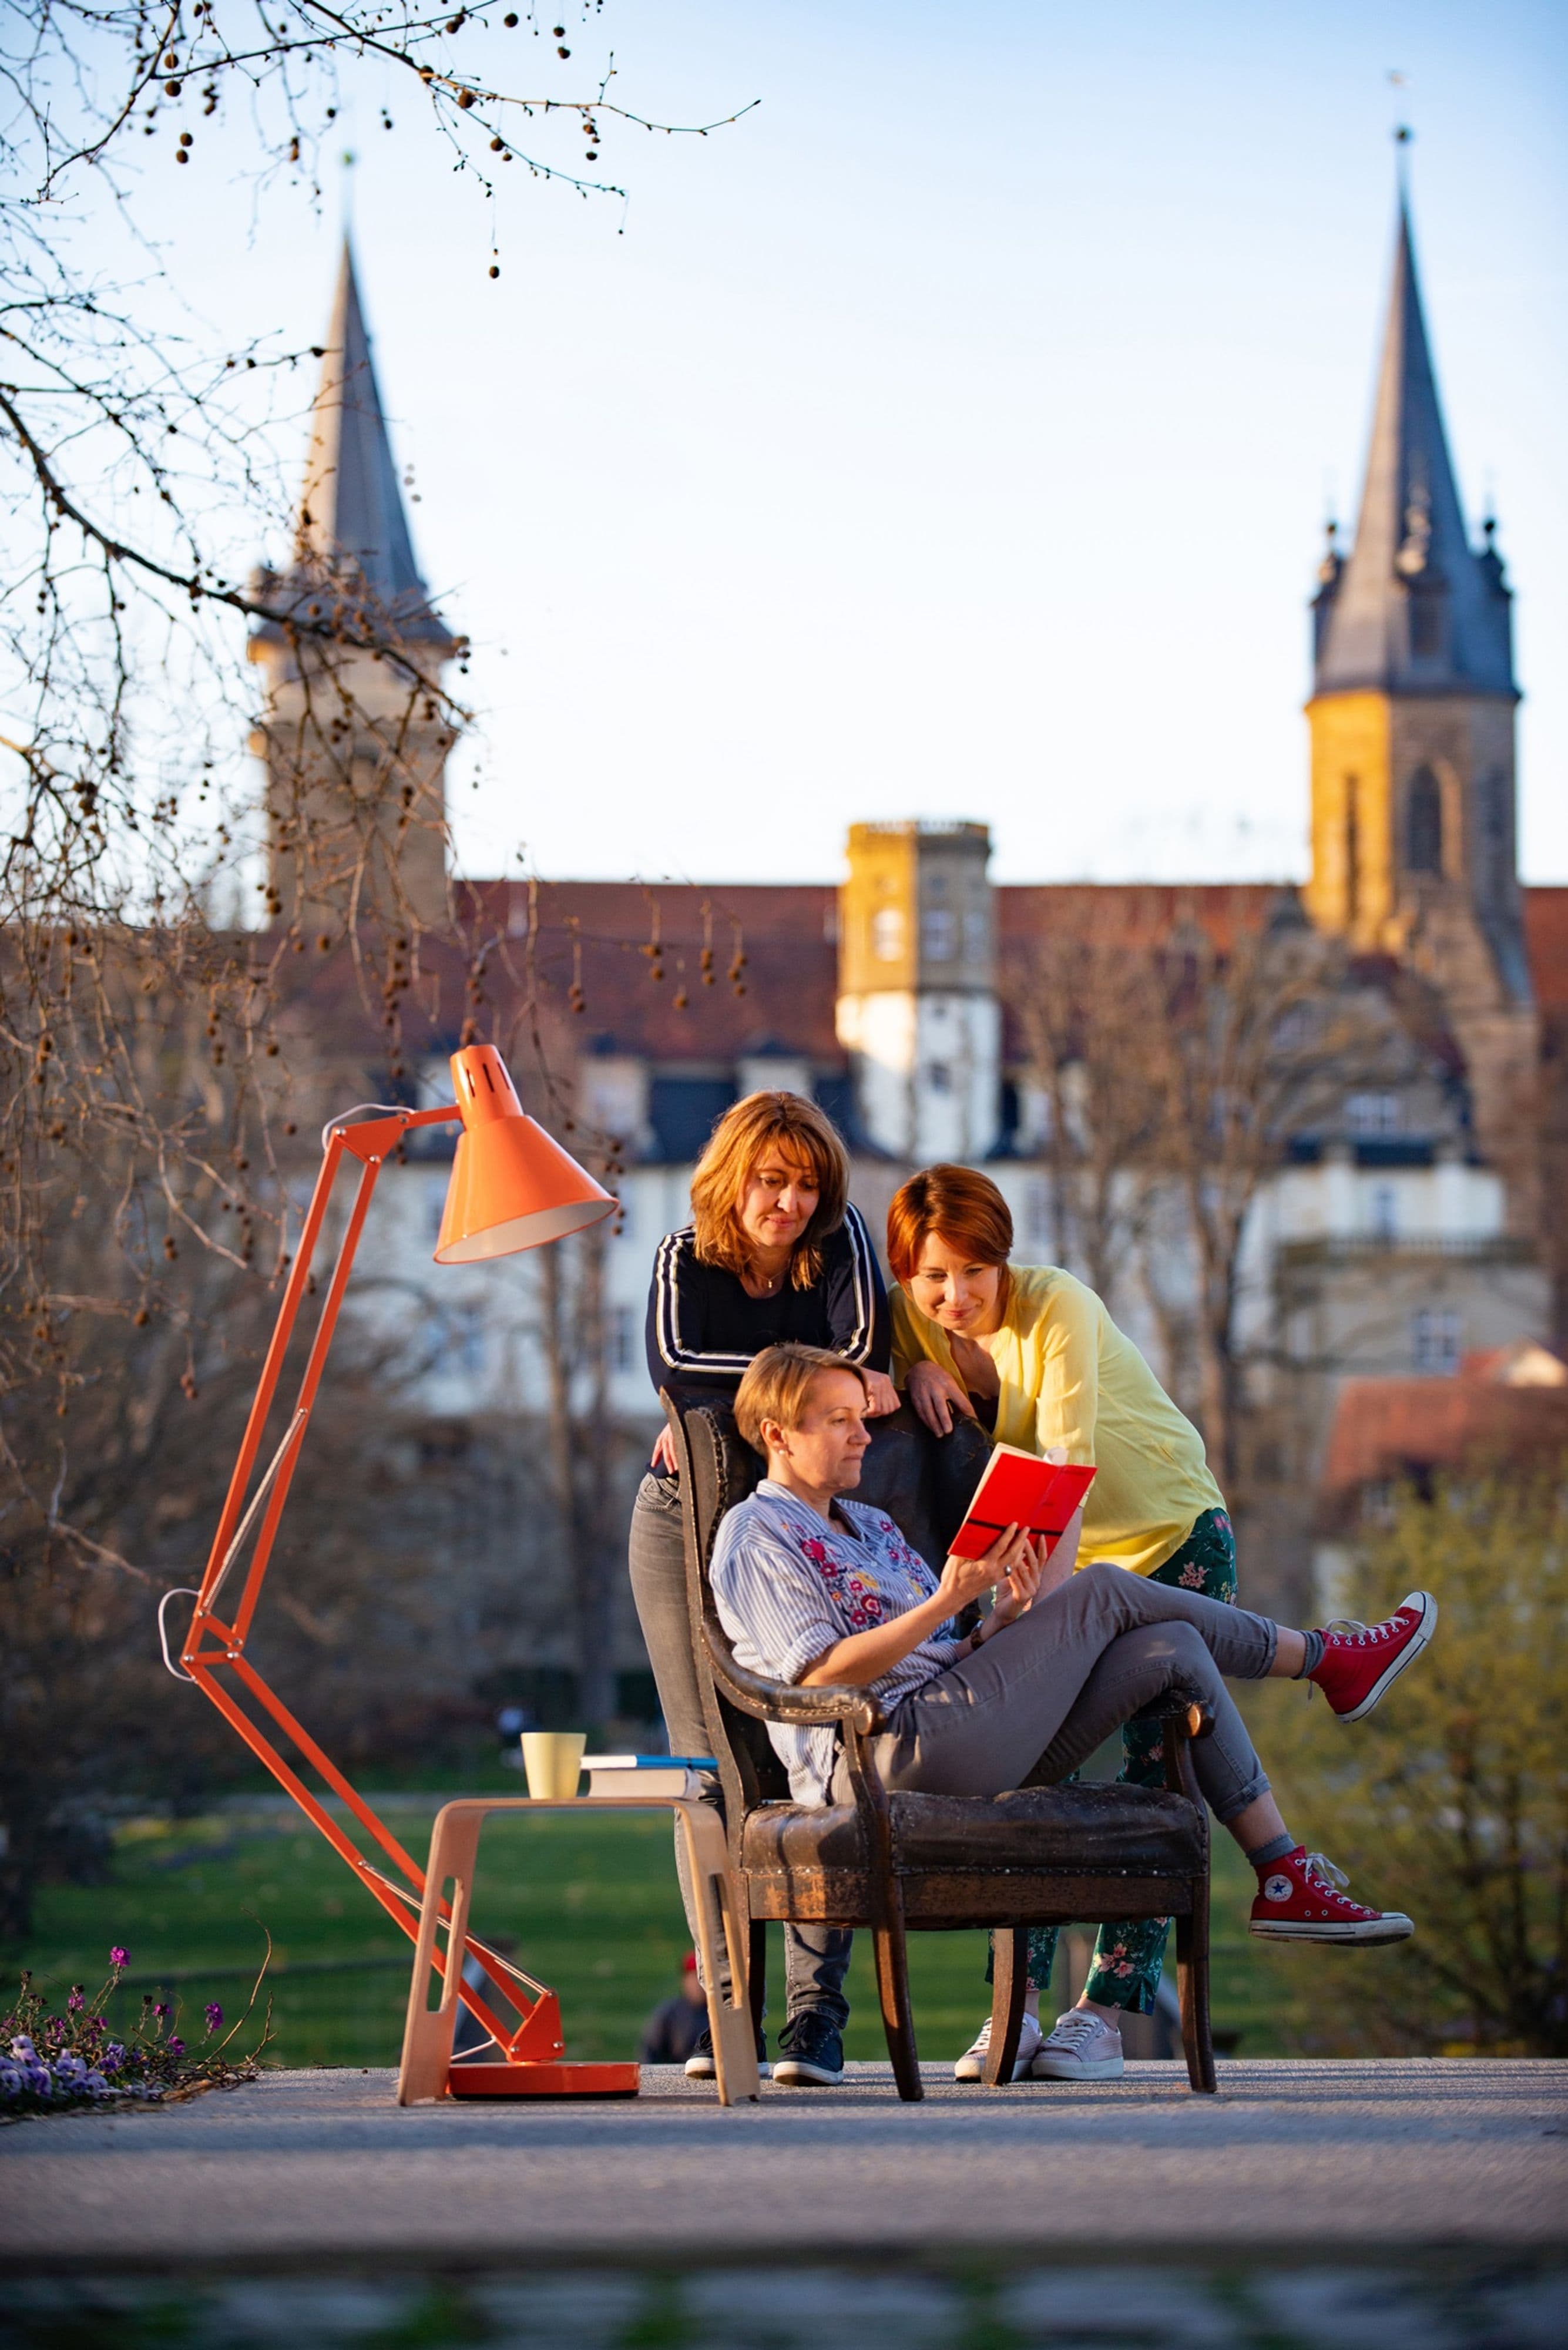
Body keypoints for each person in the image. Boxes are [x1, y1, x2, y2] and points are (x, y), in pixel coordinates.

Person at [711, 1343, 1435, 2087]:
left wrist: (1001, 1618)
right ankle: (1324, 1657)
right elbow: (822, 1672)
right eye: (838, 1420)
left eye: (859, 1417)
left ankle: (1283, 1873)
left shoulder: (870, 1526)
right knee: (1104, 1589)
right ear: (776, 1434)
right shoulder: (755, 1532)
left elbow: (945, 1650)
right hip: (879, 1754)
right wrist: (950, 1599)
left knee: (1172, 1648)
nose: (863, 1434)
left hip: (958, 1725)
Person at [887, 1163, 1258, 2080]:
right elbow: (873, 1357)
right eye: (933, 1276)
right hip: (1054, 1566)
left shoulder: (1056, 1305)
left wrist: (1028, 1618)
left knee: (1151, 1779)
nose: (955, 1295)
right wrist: (913, 1363)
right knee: (1028, 1773)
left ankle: (1102, 2016)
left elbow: (1064, 1474)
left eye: (974, 1271)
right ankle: (1010, 2013)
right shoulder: (912, 1314)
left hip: (1168, 1539)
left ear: (1002, 1261)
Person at [629, 1089, 896, 2089]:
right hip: (680, 1515)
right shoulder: (680, 1260)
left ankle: (810, 2020)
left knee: (812, 1759)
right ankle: (726, 2010)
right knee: (705, 1772)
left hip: (804, 1516)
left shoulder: (841, 1244)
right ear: (732, 1178)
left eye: (805, 1184)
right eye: (769, 1181)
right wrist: (802, 1388)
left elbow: (861, 1356)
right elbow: (674, 1362)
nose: (786, 1202)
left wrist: (726, 1404)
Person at [639, 1952, 709, 2066]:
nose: (697, 1984)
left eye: (702, 1978)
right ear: (684, 1980)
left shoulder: (721, 2014)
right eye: (693, 1977)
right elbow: (650, 2052)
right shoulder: (669, 2014)